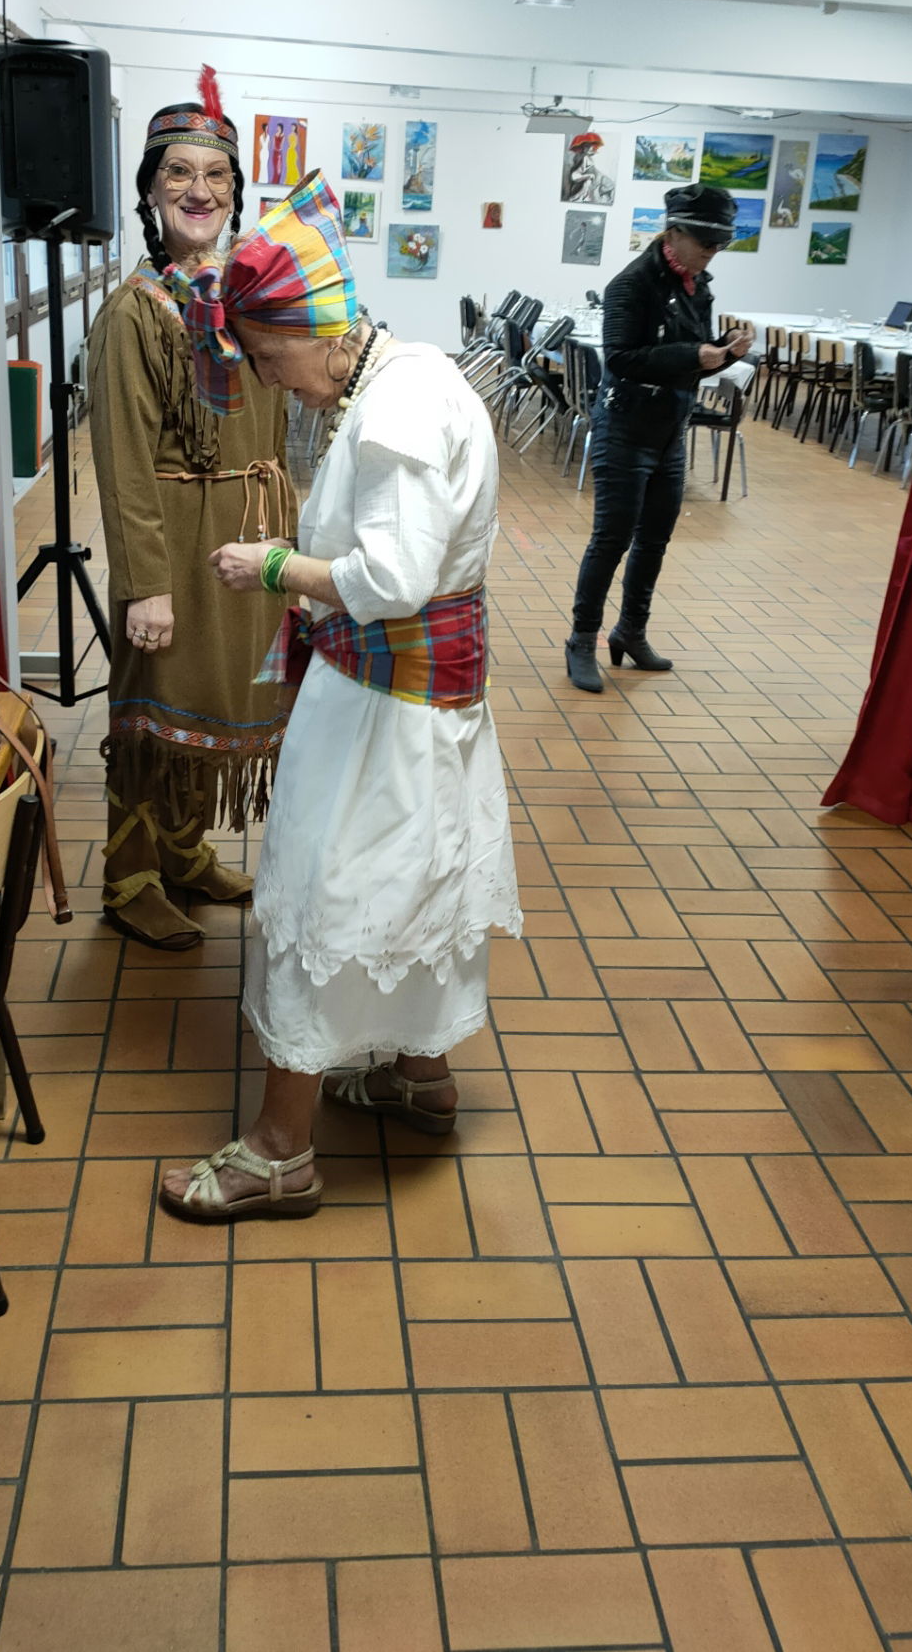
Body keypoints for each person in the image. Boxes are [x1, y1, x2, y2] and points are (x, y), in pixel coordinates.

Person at [156, 171, 521, 1219]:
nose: (271, 381)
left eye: (269, 358)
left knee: (327, 891)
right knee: (415, 878)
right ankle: (419, 1076)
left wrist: (273, 567)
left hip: (383, 705)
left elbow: (389, 578)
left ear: (319, 331)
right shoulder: (410, 377)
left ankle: (281, 1149)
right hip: (424, 700)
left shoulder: (397, 407)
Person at [87, 68, 291, 951]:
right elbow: (123, 461)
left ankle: (183, 847)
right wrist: (145, 587)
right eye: (177, 174)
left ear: (236, 193)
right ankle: (129, 875)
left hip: (250, 537)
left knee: (216, 708)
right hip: (174, 542)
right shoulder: (136, 312)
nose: (198, 191)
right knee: (155, 715)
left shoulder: (248, 302)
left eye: (215, 175)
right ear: (148, 192)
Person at [565, 183, 755, 693]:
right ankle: (582, 640)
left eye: (719, 244)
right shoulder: (630, 285)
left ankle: (630, 631)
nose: (712, 253)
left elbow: (693, 352)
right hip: (625, 425)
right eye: (705, 243)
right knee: (611, 538)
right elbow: (622, 359)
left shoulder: (699, 283)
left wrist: (727, 350)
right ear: (673, 234)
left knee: (655, 538)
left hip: (670, 427)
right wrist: (696, 357)